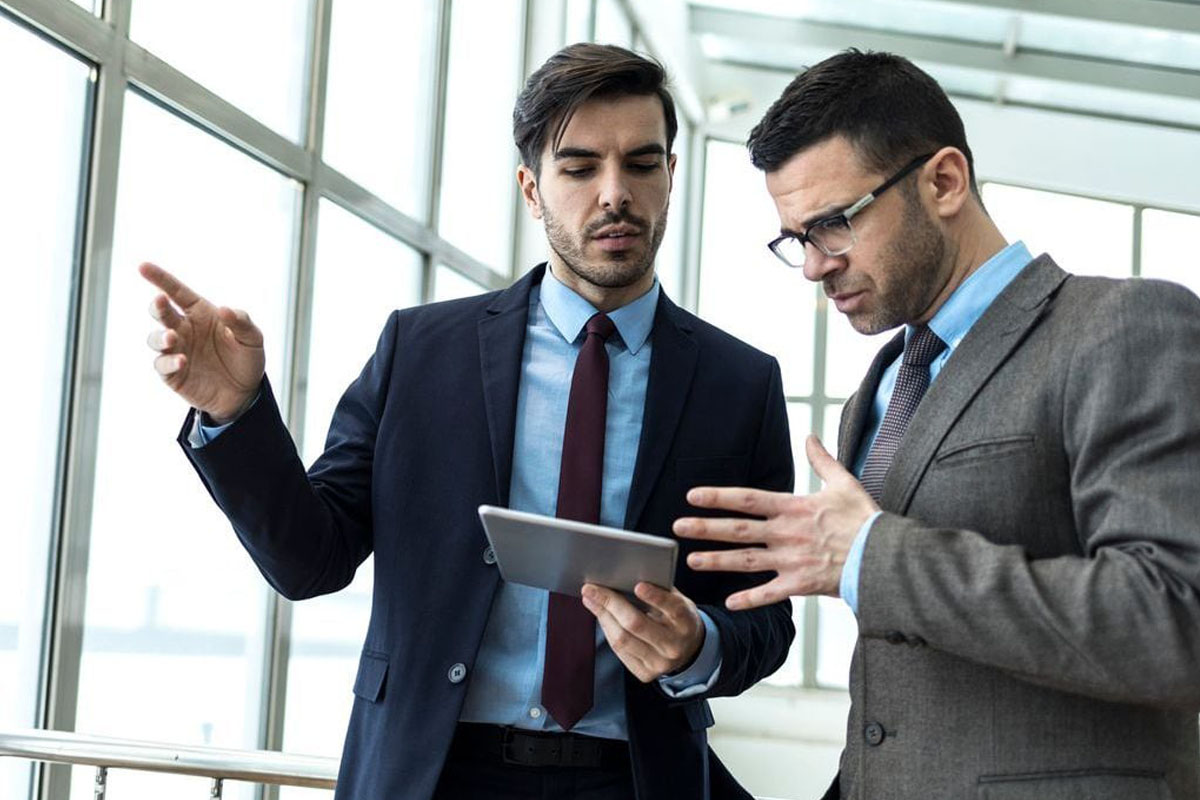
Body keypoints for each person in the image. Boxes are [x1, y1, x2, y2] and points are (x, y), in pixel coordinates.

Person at [141, 43, 794, 800]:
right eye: (579, 168)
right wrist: (236, 412)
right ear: (531, 188)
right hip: (435, 773)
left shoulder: (740, 384)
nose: (615, 193)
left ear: (671, 176)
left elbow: (763, 622)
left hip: (636, 778)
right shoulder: (421, 351)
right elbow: (310, 560)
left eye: (642, 165)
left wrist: (696, 646)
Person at [673, 49, 1200, 800]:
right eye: (796, 238)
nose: (814, 267)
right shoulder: (883, 385)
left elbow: (1176, 622)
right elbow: (907, 699)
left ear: (944, 182)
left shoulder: (1123, 326)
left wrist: (871, 557)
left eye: (833, 224)